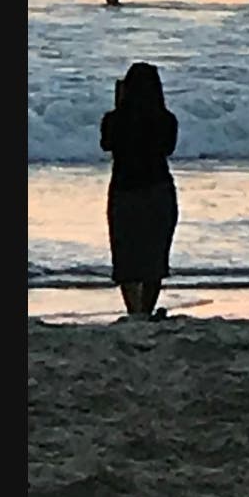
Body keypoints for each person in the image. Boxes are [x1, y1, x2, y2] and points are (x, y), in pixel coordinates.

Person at [99, 62, 179, 319]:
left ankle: (134, 311)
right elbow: (168, 148)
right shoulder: (166, 120)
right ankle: (147, 309)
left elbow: (106, 143)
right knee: (155, 256)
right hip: (158, 190)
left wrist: (118, 104)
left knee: (127, 255)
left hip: (125, 191)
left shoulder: (114, 119)